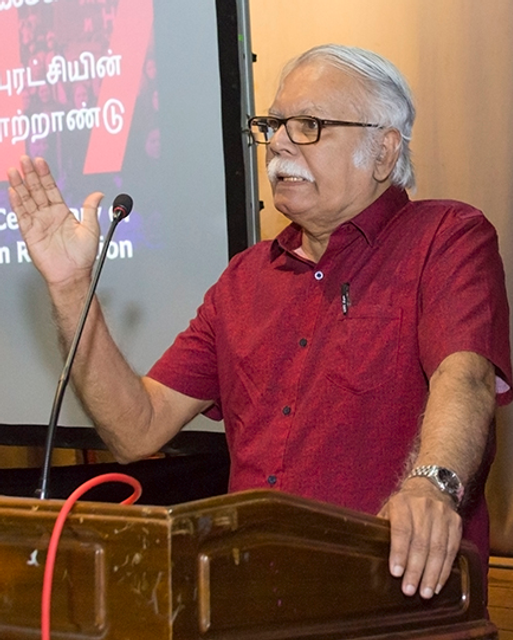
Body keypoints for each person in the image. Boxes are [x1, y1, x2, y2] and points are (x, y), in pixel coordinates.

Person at [7, 44, 512, 601]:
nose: (280, 144)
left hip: (391, 605)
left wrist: (432, 485)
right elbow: (136, 429)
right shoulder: (245, 279)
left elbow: (464, 378)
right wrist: (71, 287)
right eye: (273, 125)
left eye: (309, 125)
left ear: (384, 151)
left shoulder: (446, 237)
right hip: (249, 604)